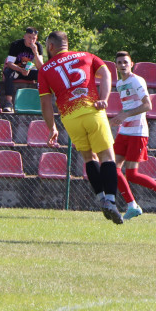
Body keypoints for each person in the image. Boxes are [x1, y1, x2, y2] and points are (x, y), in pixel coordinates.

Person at [38, 30, 123, 224]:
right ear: (66, 44)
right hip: (92, 111)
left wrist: (52, 128)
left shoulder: (44, 69)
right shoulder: (87, 56)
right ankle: (110, 201)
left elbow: (45, 104)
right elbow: (107, 73)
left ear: (51, 46)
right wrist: (104, 99)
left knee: (88, 157)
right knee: (107, 157)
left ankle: (100, 197)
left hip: (70, 118)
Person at [109, 51, 156, 220]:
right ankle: (132, 205)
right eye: (119, 62)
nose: (123, 65)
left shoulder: (136, 80)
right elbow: (129, 106)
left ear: (131, 64)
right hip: (124, 131)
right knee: (113, 169)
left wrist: (125, 115)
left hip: (138, 132)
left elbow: (147, 105)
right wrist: (118, 118)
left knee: (132, 174)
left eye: (125, 62)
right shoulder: (119, 83)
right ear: (116, 66)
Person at [2, 27, 44, 112]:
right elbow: (9, 64)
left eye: (34, 38)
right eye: (29, 37)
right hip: (16, 70)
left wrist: (35, 52)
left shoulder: (38, 46)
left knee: (43, 74)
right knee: (8, 72)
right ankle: (9, 102)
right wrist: (21, 70)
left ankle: (42, 102)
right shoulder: (16, 45)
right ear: (24, 36)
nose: (31, 40)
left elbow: (41, 67)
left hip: (29, 70)